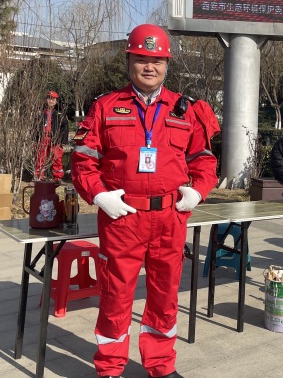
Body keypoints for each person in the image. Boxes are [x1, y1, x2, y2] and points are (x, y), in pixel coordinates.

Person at [71, 24, 218, 378]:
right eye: (141, 59)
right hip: (122, 218)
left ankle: (160, 365)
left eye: (157, 60)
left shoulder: (186, 110)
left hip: (169, 217)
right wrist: (99, 195)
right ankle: (109, 368)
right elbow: (83, 160)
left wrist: (198, 190)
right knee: (116, 295)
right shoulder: (106, 107)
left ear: (167, 64)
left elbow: (204, 160)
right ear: (129, 61)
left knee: (165, 296)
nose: (149, 67)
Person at [34, 90, 69, 182]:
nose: (51, 101)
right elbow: (34, 126)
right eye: (49, 99)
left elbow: (65, 127)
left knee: (57, 158)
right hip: (42, 138)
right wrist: (35, 138)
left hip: (55, 139)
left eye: (53, 99)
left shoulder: (60, 114)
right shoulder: (40, 113)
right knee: (40, 158)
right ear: (46, 99)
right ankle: (38, 176)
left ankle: (58, 177)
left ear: (56, 101)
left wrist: (63, 141)